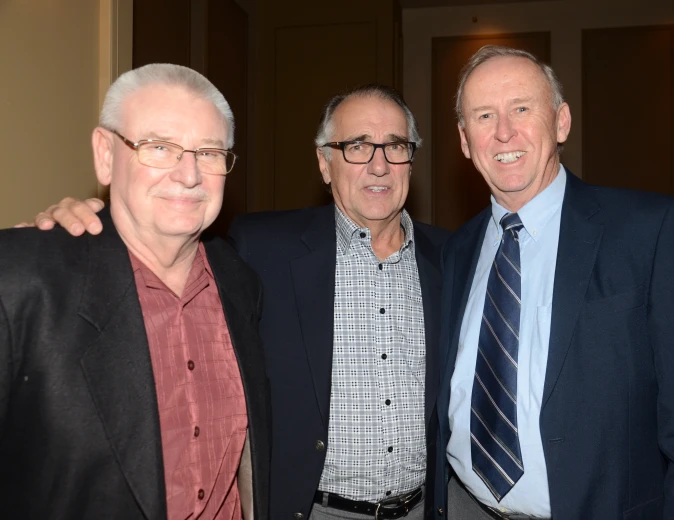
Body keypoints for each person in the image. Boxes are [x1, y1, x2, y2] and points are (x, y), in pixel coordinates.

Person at [24, 84, 450, 520]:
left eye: (396, 147)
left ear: (411, 162)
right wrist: (83, 223)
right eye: (357, 146)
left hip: (422, 509)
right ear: (324, 163)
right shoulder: (259, 249)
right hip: (309, 510)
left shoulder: (451, 258)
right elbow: (161, 246)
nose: (379, 165)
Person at [433, 45, 674, 519]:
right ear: (463, 139)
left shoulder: (648, 231)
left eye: (521, 108)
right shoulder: (456, 251)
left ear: (561, 121)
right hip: (464, 507)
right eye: (483, 115)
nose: (503, 132)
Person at [0, 64, 270, 519]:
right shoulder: (22, 281)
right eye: (159, 147)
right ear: (105, 155)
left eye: (208, 152)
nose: (189, 175)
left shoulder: (240, 281)